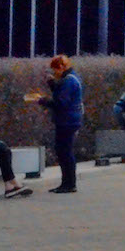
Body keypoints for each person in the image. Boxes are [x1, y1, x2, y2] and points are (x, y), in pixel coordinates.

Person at [26, 55, 84, 194]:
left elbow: (60, 103)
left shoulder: (68, 81)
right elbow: (62, 95)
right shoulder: (73, 78)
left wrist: (42, 100)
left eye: (55, 70)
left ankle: (68, 184)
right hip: (72, 119)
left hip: (67, 120)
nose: (55, 73)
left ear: (61, 67)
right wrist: (52, 84)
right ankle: (68, 183)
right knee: (66, 151)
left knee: (64, 152)